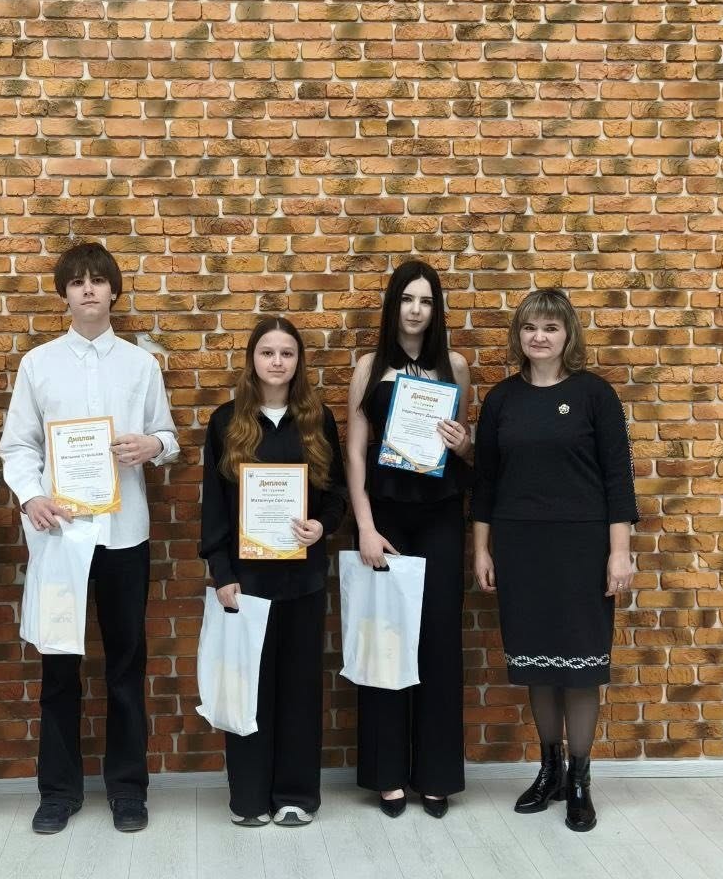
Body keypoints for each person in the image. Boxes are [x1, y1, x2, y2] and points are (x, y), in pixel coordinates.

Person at [0, 241, 180, 836]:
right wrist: (31, 496)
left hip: (125, 535)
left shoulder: (141, 365)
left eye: (98, 280)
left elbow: (169, 436)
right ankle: (58, 791)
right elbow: (17, 445)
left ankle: (128, 790)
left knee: (126, 665)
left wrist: (152, 446)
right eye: (77, 282)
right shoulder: (38, 365)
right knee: (59, 667)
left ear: (113, 291)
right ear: (64, 295)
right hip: (62, 537)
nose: (88, 290)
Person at [471, 288, 638, 833]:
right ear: (518, 335)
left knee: (581, 667)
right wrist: (481, 548)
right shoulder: (501, 400)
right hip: (520, 548)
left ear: (568, 335)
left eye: (550, 327)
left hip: (582, 548)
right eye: (529, 327)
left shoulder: (594, 395)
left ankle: (581, 781)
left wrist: (619, 553)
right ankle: (551, 771)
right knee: (538, 668)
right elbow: (485, 482)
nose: (539, 337)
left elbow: (618, 480)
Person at [199, 316, 347, 828]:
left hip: (304, 578)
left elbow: (336, 494)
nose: (277, 362)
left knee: (300, 689)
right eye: (268, 352)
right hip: (247, 582)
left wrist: (321, 526)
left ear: (298, 361)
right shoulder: (225, 421)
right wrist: (222, 572)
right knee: (248, 687)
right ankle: (248, 798)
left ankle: (296, 795)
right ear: (252, 360)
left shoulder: (318, 419)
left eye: (287, 353)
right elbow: (214, 505)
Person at [344, 260, 472, 819]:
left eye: (425, 300)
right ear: (393, 305)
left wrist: (463, 442)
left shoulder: (455, 366)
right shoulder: (368, 367)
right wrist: (365, 526)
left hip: (441, 515)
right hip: (386, 517)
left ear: (436, 309)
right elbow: (354, 452)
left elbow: (466, 447)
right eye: (407, 299)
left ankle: (436, 775)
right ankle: (388, 774)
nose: (416, 310)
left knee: (439, 642)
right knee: (387, 640)